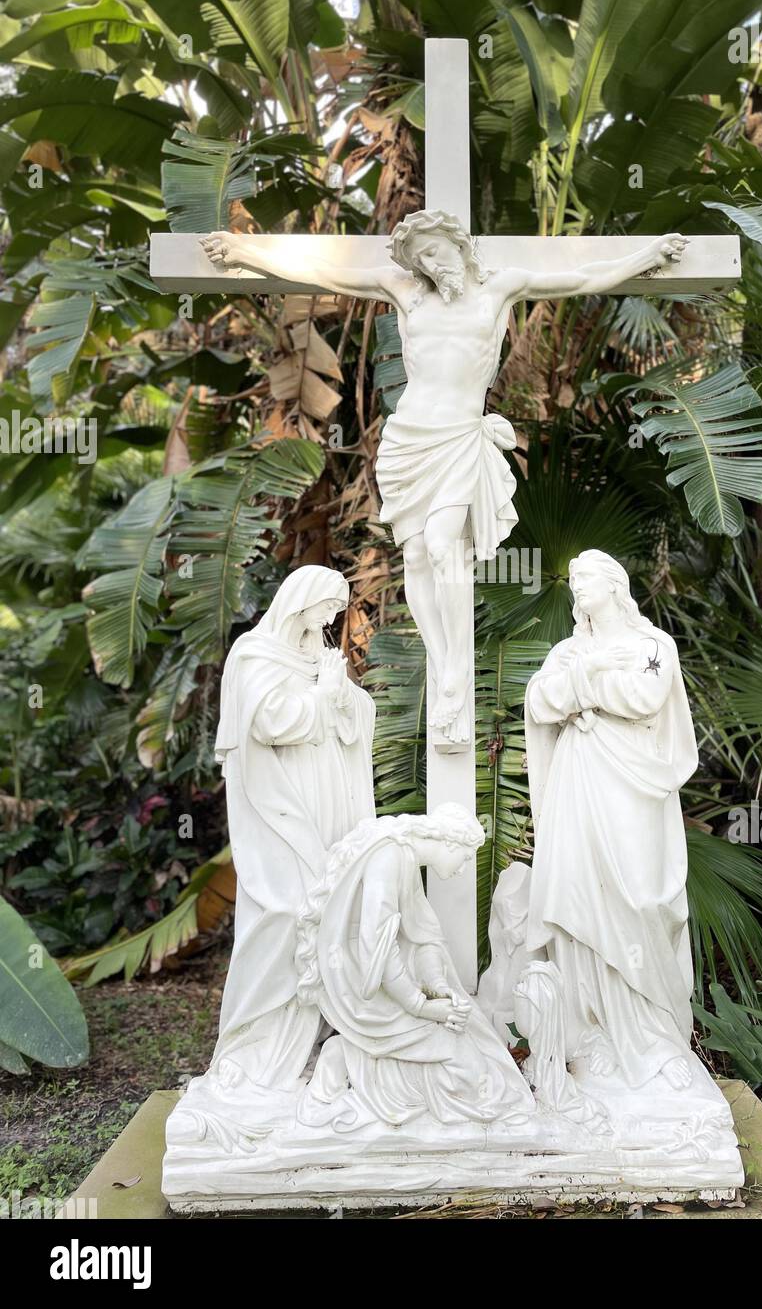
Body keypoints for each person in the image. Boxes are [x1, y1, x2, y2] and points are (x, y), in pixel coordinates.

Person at [201, 214, 688, 743]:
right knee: (414, 555)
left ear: (457, 244)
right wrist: (247, 253)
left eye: (436, 252)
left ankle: (457, 663)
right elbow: (322, 272)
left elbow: (582, 278)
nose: (431, 266)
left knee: (441, 545)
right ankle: (441, 658)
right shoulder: (405, 292)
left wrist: (647, 256)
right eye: (421, 260)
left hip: (459, 437)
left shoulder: (501, 287)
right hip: (410, 439)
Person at [524, 550, 699, 1093]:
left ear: (615, 587)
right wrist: (586, 679)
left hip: (633, 790)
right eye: (572, 580)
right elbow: (539, 700)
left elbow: (644, 696)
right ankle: (592, 1035)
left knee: (640, 900)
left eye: (584, 579)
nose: (575, 587)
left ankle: (653, 1038)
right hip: (580, 783)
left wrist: (585, 687)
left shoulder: (652, 646)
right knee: (580, 894)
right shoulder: (569, 650)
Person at [208, 565, 375, 1091]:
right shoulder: (255, 654)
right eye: (327, 607)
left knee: (332, 909)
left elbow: (357, 713)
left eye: (337, 609)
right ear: (300, 601)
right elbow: (269, 722)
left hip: (329, 795)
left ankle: (316, 1043)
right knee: (284, 911)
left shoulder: (319, 657)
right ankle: (254, 1047)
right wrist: (324, 698)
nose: (332, 618)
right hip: (282, 797)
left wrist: (343, 695)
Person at [294, 803, 535, 1128]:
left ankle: (359, 1064)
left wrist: (440, 987)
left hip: (386, 977)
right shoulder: (389, 857)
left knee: (474, 1050)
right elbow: (375, 945)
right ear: (450, 842)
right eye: (465, 857)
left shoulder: (403, 857)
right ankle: (347, 1061)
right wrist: (421, 1006)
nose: (463, 868)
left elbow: (423, 936)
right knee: (470, 1069)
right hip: (360, 984)